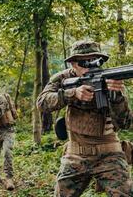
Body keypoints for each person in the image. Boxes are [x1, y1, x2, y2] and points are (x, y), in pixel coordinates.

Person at [36, 40, 133, 196]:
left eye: (94, 60)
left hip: (110, 153)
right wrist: (72, 94)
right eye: (83, 62)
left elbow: (125, 122)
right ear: (73, 64)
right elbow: (42, 102)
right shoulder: (62, 78)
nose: (89, 65)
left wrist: (117, 97)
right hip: (76, 154)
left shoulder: (111, 80)